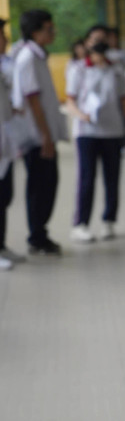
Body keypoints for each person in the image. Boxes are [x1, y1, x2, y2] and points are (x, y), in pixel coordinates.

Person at [65, 42, 125, 242]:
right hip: (87, 131)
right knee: (87, 177)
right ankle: (81, 223)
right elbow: (70, 100)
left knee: (112, 177)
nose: (99, 58)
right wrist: (81, 115)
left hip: (112, 131)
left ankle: (109, 220)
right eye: (95, 54)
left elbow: (124, 101)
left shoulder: (116, 70)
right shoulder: (79, 69)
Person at [11, 9, 68, 256]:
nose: (52, 32)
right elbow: (32, 100)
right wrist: (44, 137)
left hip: (44, 135)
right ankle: (37, 235)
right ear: (35, 32)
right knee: (40, 186)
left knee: (48, 183)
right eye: (48, 28)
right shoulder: (27, 58)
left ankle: (40, 232)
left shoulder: (38, 56)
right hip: (36, 136)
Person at [0, 17, 25, 269]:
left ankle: (2, 245)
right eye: (2, 36)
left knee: (5, 196)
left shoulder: (4, 66)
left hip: (6, 143)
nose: (5, 40)